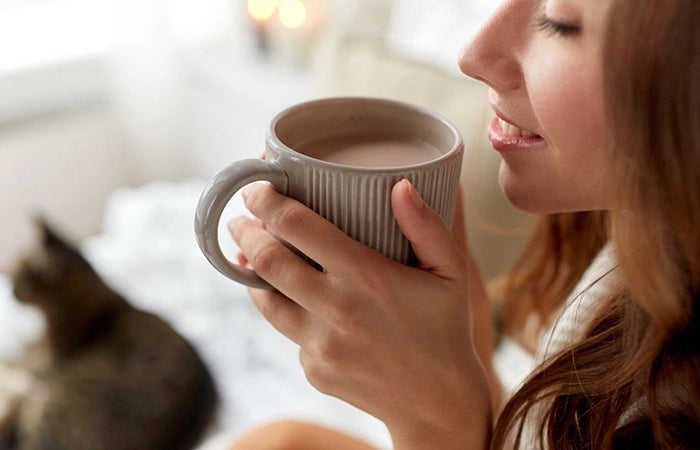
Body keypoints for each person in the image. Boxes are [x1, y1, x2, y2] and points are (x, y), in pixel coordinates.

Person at [227, 0, 700, 448]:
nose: (474, 57)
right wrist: (469, 354)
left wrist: (432, 419)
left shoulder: (673, 409)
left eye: (559, 22)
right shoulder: (621, 236)